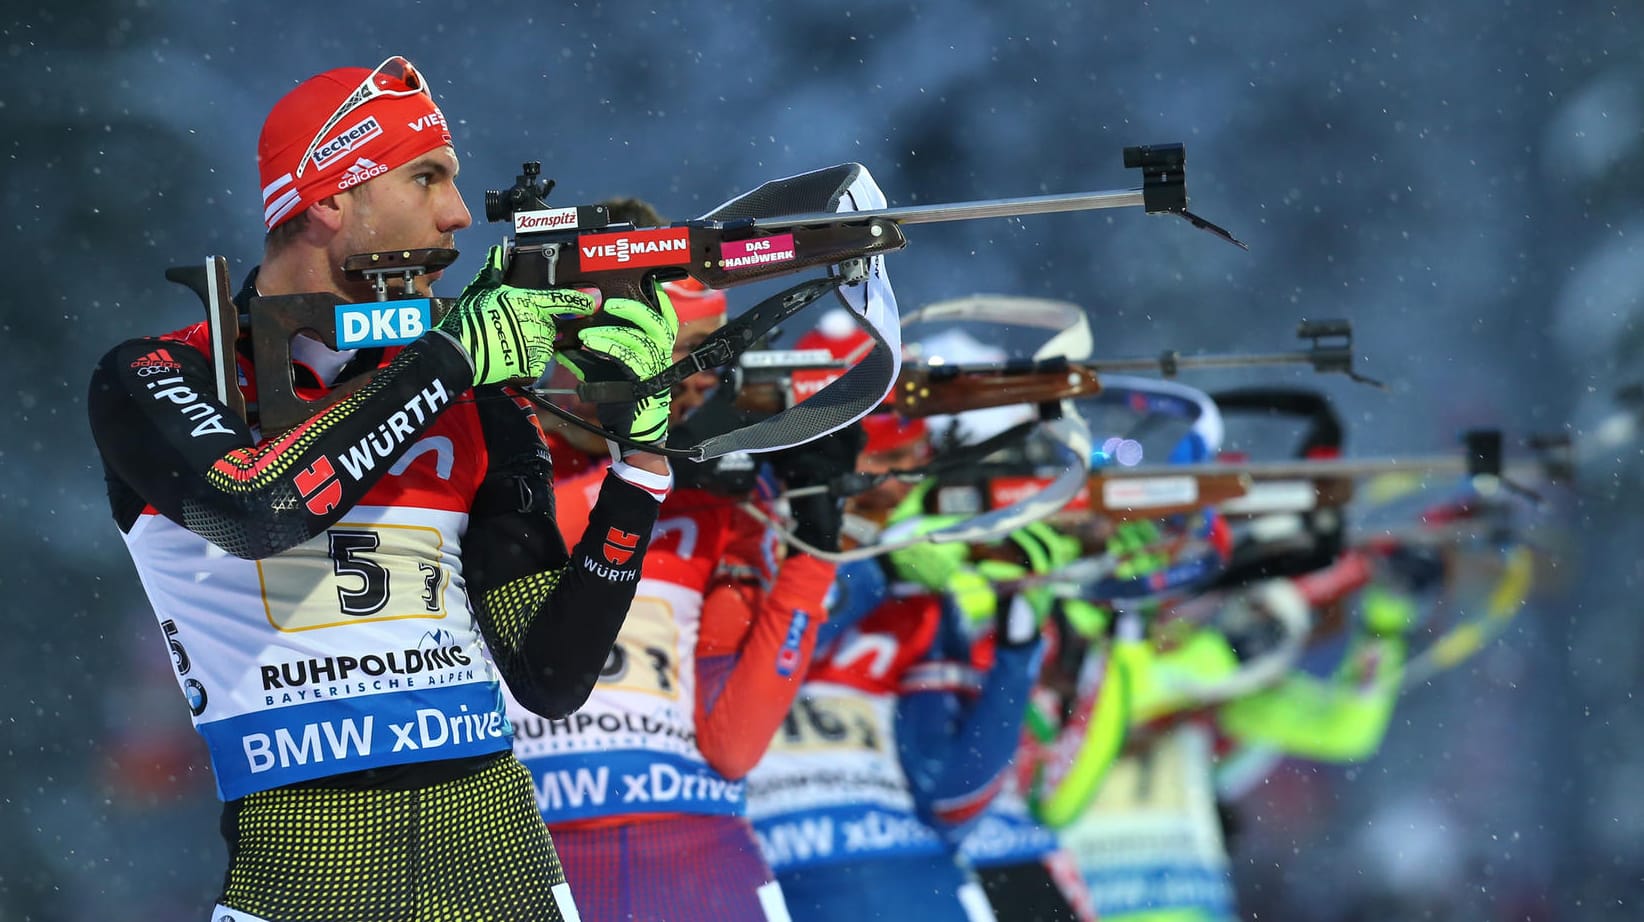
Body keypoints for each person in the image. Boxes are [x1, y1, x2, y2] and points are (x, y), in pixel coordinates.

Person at [86, 55, 678, 922]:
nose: (457, 214)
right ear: (329, 197)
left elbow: (551, 673)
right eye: (426, 177)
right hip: (304, 876)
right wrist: (450, 362)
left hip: (498, 865)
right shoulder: (157, 370)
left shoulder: (475, 396)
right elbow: (255, 509)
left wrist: (641, 466)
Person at [510, 215, 861, 919]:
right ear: (596, 354)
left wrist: (814, 542)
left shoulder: (714, 504)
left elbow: (733, 745)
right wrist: (639, 475)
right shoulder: (506, 449)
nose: (706, 386)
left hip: (705, 858)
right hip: (536, 854)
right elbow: (519, 539)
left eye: (720, 358)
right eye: (690, 355)